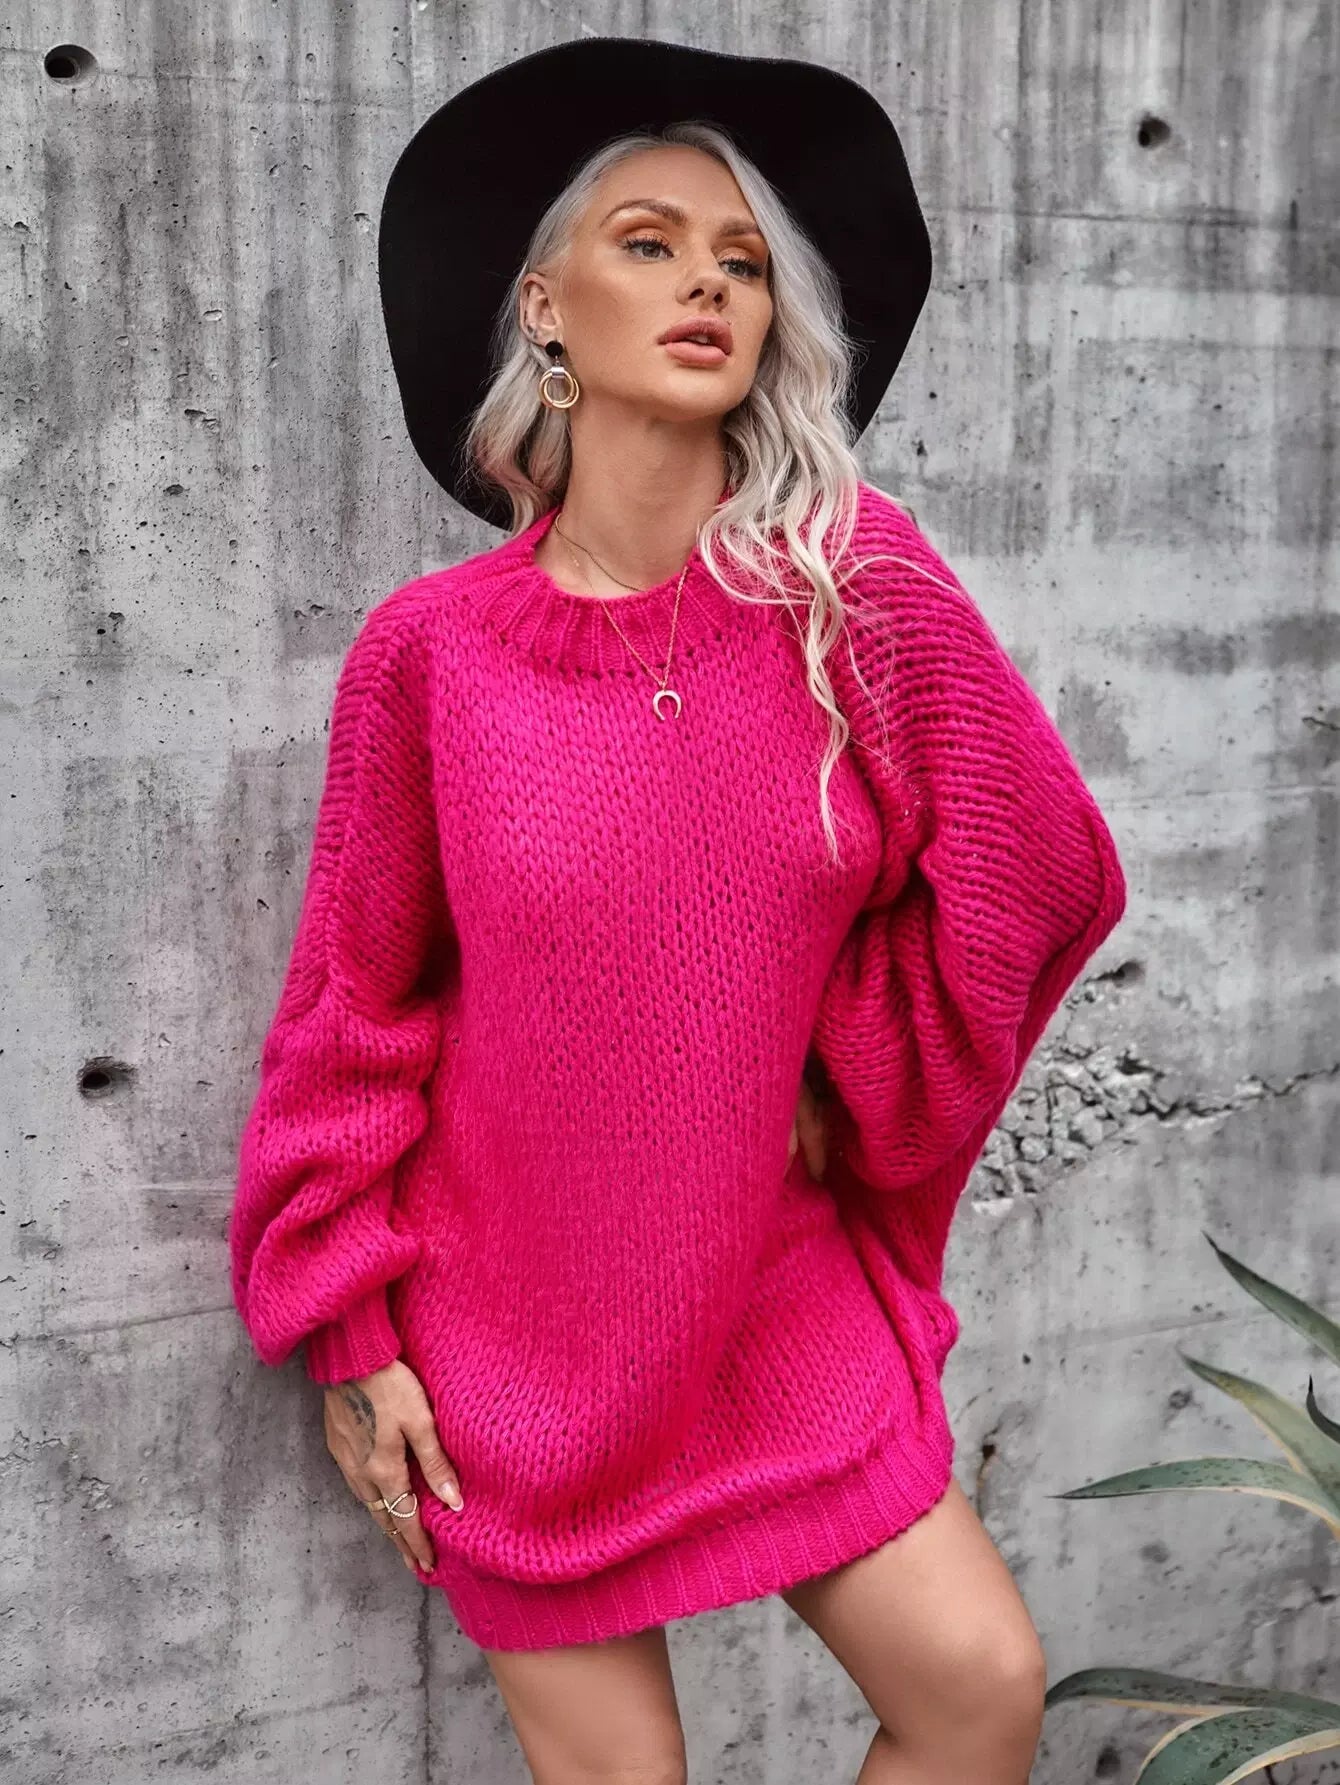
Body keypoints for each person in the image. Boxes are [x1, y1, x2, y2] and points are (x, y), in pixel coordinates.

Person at [227, 36, 1128, 1785]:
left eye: (742, 262)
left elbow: (1040, 866)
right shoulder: (432, 656)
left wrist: (838, 1072)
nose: (709, 284)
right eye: (648, 244)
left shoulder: (853, 592)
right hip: (512, 1348)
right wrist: (352, 1329)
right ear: (543, 307)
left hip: (775, 1301)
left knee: (979, 1690)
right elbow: (357, 1007)